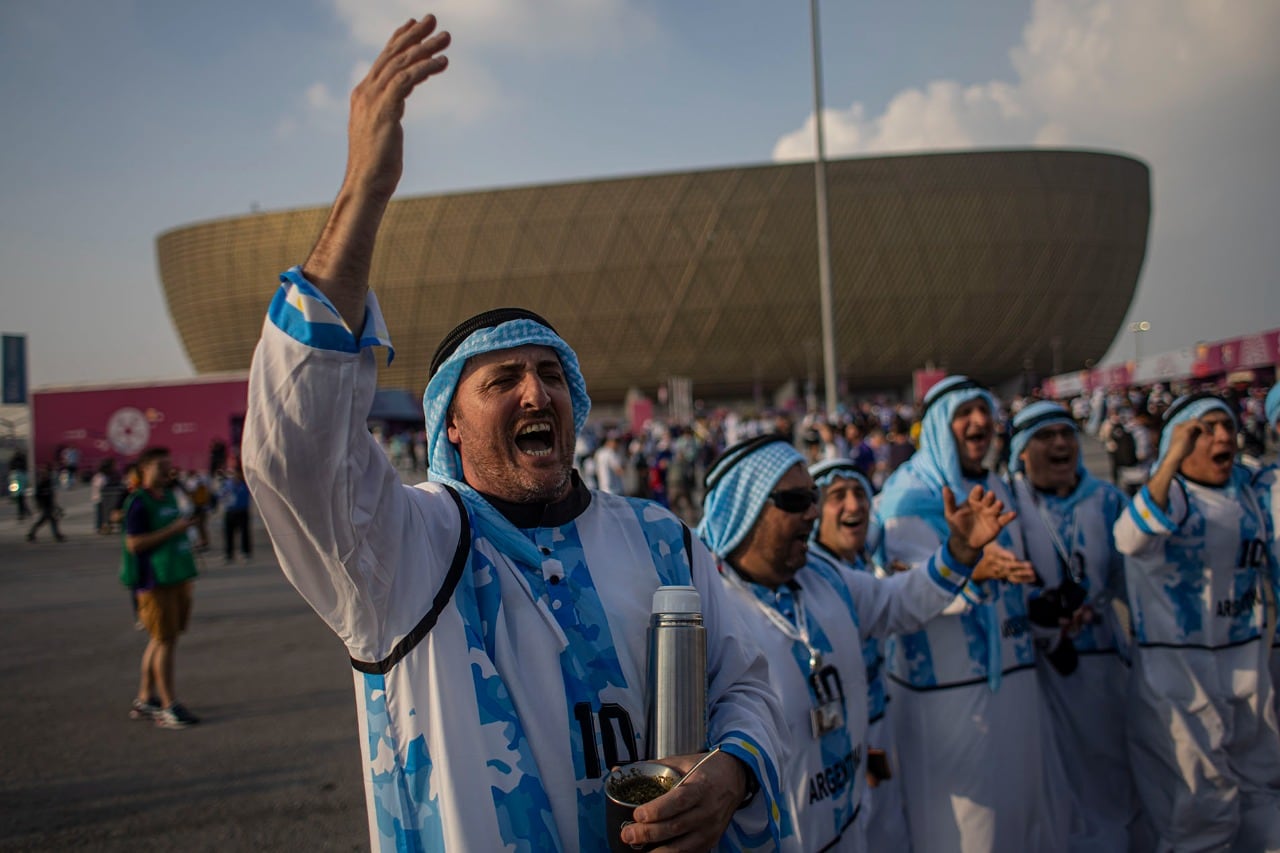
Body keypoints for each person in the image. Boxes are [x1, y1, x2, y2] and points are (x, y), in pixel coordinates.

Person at [240, 16, 785, 851]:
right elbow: (297, 448)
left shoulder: (659, 539)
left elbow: (749, 678)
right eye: (502, 380)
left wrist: (735, 770)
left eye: (552, 374)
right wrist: (363, 192)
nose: (537, 391)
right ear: (451, 427)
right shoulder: (406, 553)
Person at [696, 438, 1010, 851]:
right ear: (744, 509)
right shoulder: (708, 611)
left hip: (851, 827)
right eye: (795, 500)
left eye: (813, 497)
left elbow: (895, 602)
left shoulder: (824, 576)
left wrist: (958, 552)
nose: (812, 512)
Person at [874, 375, 1055, 852]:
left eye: (984, 410)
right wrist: (971, 568)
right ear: (938, 425)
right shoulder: (906, 492)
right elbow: (900, 589)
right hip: (944, 694)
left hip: (1015, 679)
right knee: (963, 832)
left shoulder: (998, 485)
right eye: (963, 413)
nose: (979, 421)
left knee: (1021, 817)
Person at [1114, 392, 1280, 850]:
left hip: (1246, 665)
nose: (1222, 436)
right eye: (1205, 429)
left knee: (1262, 798)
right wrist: (1170, 460)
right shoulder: (1170, 496)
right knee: (1199, 815)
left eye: (1227, 426)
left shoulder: (1250, 492)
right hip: (1181, 679)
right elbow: (1130, 538)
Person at [1007, 401, 1142, 851]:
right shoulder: (1010, 507)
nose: (1061, 444)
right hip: (1037, 672)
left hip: (1103, 669)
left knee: (1110, 777)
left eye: (1067, 434)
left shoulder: (1107, 501)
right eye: (1045, 437)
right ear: (1022, 450)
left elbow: (1135, 585)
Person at [807, 459, 910, 851]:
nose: (854, 505)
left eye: (860, 493)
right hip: (838, 754)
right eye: (838, 496)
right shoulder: (810, 582)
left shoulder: (865, 566)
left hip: (882, 729)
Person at [119, 447, 201, 729]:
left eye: (169, 465)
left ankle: (145, 698)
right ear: (144, 469)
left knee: (161, 640)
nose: (168, 471)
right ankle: (169, 705)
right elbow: (134, 544)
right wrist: (173, 530)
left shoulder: (168, 496)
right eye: (160, 467)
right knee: (164, 640)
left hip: (176, 575)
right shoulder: (138, 502)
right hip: (155, 581)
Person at [219, 464, 252, 563]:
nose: (237, 475)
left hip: (242, 510)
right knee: (228, 533)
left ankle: (245, 552)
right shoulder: (228, 484)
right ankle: (229, 554)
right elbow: (221, 495)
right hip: (230, 510)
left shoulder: (246, 484)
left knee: (244, 532)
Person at [25, 463, 65, 542]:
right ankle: (57, 535)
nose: (47, 476)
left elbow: (51, 496)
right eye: (45, 474)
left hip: (49, 505)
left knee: (45, 520)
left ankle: (31, 534)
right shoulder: (41, 485)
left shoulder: (49, 483)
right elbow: (37, 496)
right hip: (44, 506)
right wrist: (39, 505)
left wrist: (56, 506)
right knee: (50, 520)